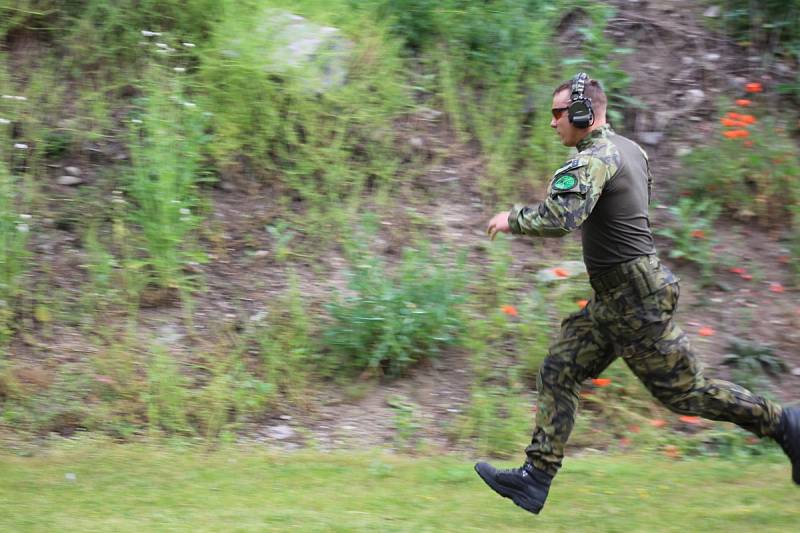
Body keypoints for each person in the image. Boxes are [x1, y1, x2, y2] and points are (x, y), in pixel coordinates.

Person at [475, 72, 799, 515]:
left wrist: (511, 219)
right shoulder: (630, 149)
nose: (553, 123)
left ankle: (783, 423)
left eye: (558, 113)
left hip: (633, 299)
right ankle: (536, 478)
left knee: (686, 393)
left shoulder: (595, 158)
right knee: (559, 368)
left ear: (583, 113)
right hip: (619, 298)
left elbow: (562, 217)